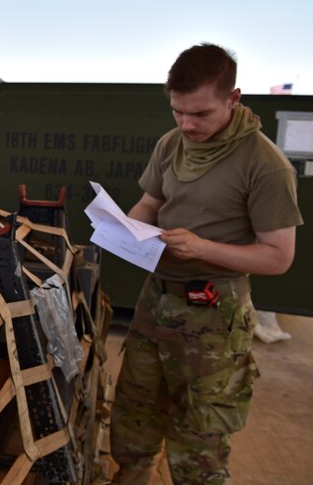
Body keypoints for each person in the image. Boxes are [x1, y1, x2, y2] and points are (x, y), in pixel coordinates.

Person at [110, 43, 303, 484]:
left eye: (200, 114)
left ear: (233, 99)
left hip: (215, 311)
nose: (186, 124)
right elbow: (150, 202)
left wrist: (202, 249)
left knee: (199, 439)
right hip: (156, 300)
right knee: (134, 417)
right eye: (177, 112)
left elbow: (278, 256)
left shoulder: (265, 164)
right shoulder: (171, 144)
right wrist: (124, 228)